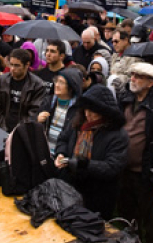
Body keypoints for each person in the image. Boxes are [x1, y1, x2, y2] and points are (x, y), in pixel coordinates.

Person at [115, 62, 153, 243]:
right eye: (132, 75)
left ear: (150, 82)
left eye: (138, 76)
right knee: (127, 214)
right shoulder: (124, 98)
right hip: (124, 169)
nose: (133, 79)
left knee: (149, 218)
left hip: (146, 172)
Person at [53, 83, 129, 220]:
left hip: (98, 195)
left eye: (93, 111)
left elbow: (112, 167)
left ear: (105, 112)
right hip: (70, 188)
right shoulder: (78, 124)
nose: (88, 114)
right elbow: (63, 139)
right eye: (85, 110)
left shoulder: (117, 135)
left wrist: (84, 164)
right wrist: (61, 154)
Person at [0, 47, 48, 132]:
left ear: (27, 65)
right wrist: (1, 129)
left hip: (24, 131)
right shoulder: (1, 80)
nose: (12, 68)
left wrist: (18, 132)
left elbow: (34, 113)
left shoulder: (37, 85)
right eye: (11, 64)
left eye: (17, 65)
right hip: (1, 128)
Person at [38, 67, 83, 155]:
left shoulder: (77, 108)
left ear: (71, 87)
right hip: (44, 154)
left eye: (61, 82)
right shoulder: (48, 101)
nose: (57, 85)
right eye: (56, 81)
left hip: (62, 156)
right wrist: (38, 119)